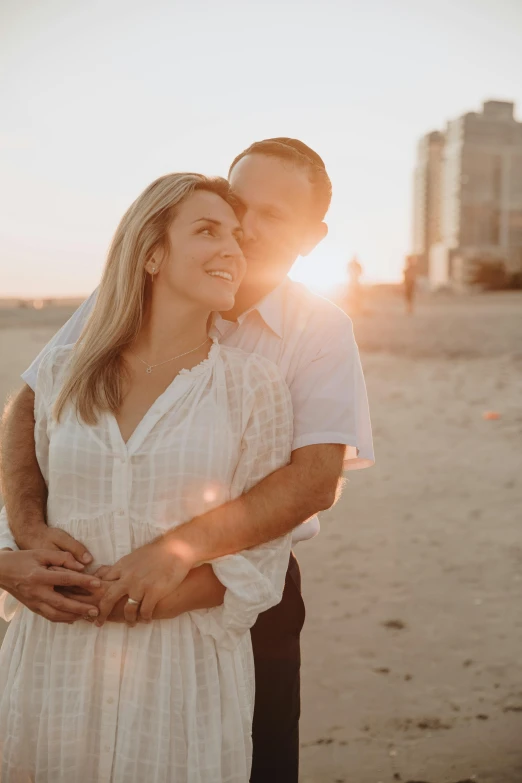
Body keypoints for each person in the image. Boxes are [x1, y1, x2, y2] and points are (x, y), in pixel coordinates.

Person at [0, 137, 374, 782]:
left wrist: (174, 558)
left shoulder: (317, 331)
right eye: (235, 207)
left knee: (246, 760)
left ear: (313, 237)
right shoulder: (121, 303)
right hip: (71, 600)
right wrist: (25, 538)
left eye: (272, 217)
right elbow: (33, 410)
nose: (246, 232)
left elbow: (312, 482)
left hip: (233, 594)